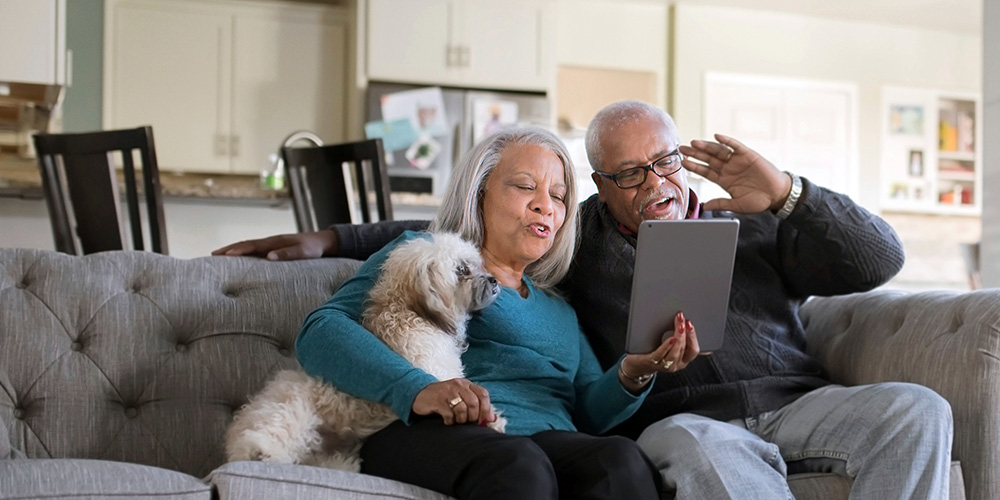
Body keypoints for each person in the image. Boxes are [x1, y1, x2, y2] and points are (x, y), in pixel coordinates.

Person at [215, 101, 954, 499]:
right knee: (567, 465)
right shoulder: (481, 254)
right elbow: (415, 255)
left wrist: (790, 195)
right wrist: (329, 238)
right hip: (672, 423)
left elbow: (879, 259)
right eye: (628, 174)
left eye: (665, 161)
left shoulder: (741, 223)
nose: (655, 182)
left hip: (784, 398)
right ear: (606, 191)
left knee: (920, 408)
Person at [291, 126, 687, 500]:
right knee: (519, 464)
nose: (544, 206)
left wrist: (634, 371)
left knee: (620, 459)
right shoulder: (427, 255)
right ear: (479, 193)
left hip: (546, 442)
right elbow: (321, 330)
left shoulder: (559, 308)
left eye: (559, 195)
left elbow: (587, 413)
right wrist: (415, 388)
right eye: (525, 187)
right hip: (436, 432)